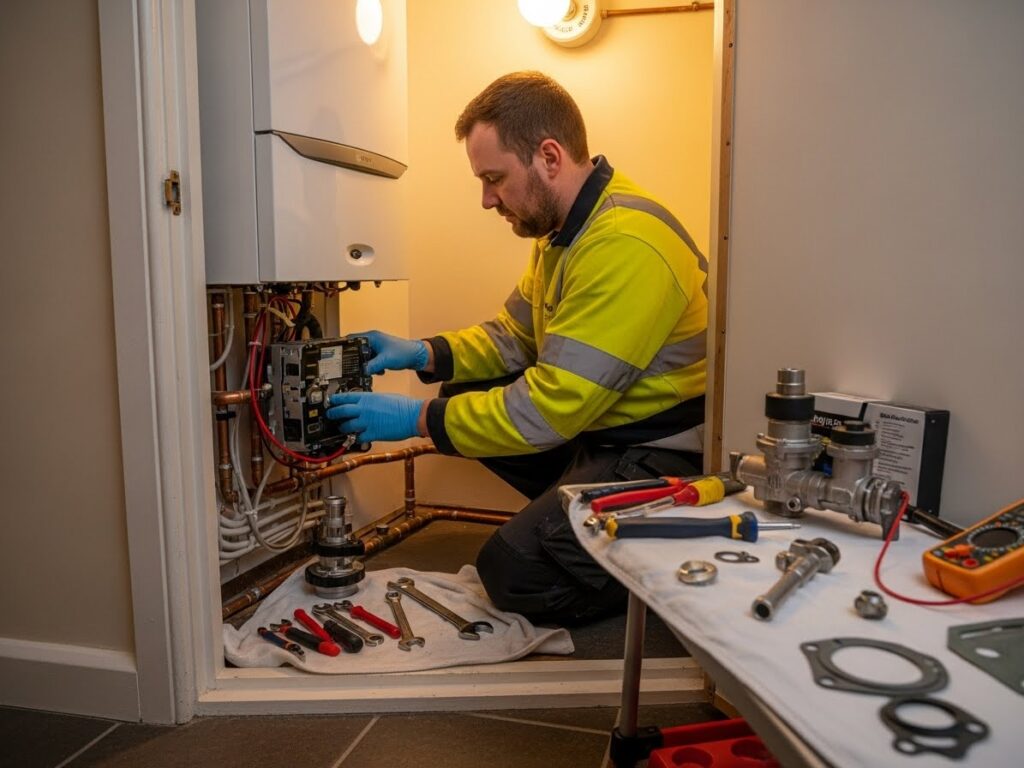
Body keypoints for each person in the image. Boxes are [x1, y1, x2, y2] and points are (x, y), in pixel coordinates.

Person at [327, 71, 709, 625]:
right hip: (601, 429)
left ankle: (671, 552)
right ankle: (570, 514)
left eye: (494, 178)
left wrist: (416, 418)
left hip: (663, 454)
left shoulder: (625, 243)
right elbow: (512, 338)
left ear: (549, 158)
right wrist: (423, 353)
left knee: (513, 572)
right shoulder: (563, 234)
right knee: (462, 389)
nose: (486, 199)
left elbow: (549, 410)